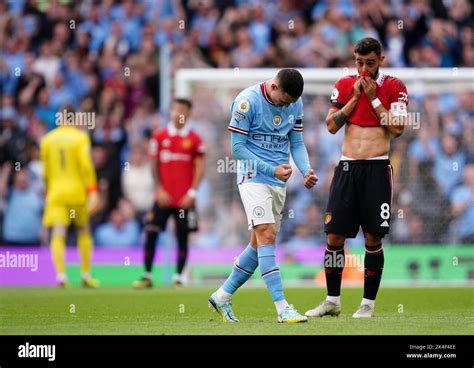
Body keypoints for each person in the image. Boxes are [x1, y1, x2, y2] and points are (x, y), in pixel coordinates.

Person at [305, 38, 408, 318]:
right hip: (347, 168)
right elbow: (331, 125)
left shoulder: (395, 86)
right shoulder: (344, 85)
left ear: (381, 60)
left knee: (373, 238)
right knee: (335, 235)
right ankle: (332, 300)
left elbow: (398, 128)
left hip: (376, 168)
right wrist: (354, 98)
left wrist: (373, 97)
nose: (364, 69)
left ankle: (367, 304)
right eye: (359, 62)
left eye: (370, 63)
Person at [208, 69, 318, 323]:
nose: (287, 105)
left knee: (259, 245)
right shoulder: (247, 101)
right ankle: (282, 308)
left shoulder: (295, 102)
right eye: (285, 100)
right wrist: (271, 169)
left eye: (291, 102)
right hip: (252, 177)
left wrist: (306, 170)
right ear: (275, 87)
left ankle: (223, 295)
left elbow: (297, 143)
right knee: (267, 234)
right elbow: (237, 148)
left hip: (278, 181)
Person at [132, 98, 205, 288]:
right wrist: (158, 189)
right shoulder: (159, 136)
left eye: (182, 109)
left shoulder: (195, 139)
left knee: (183, 236)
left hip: (184, 199)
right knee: (151, 231)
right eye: (175, 109)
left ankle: (179, 277)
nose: (178, 113)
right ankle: (147, 275)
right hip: (163, 197)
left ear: (188, 113)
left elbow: (200, 167)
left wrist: (192, 193)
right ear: (170, 112)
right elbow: (153, 165)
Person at [41, 106, 100, 288]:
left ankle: (61, 276)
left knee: (59, 233)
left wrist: (48, 189)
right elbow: (86, 166)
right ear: (73, 118)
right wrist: (93, 190)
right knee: (84, 230)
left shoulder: (47, 140)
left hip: (56, 192)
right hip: (77, 192)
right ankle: (86, 275)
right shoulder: (80, 137)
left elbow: (46, 170)